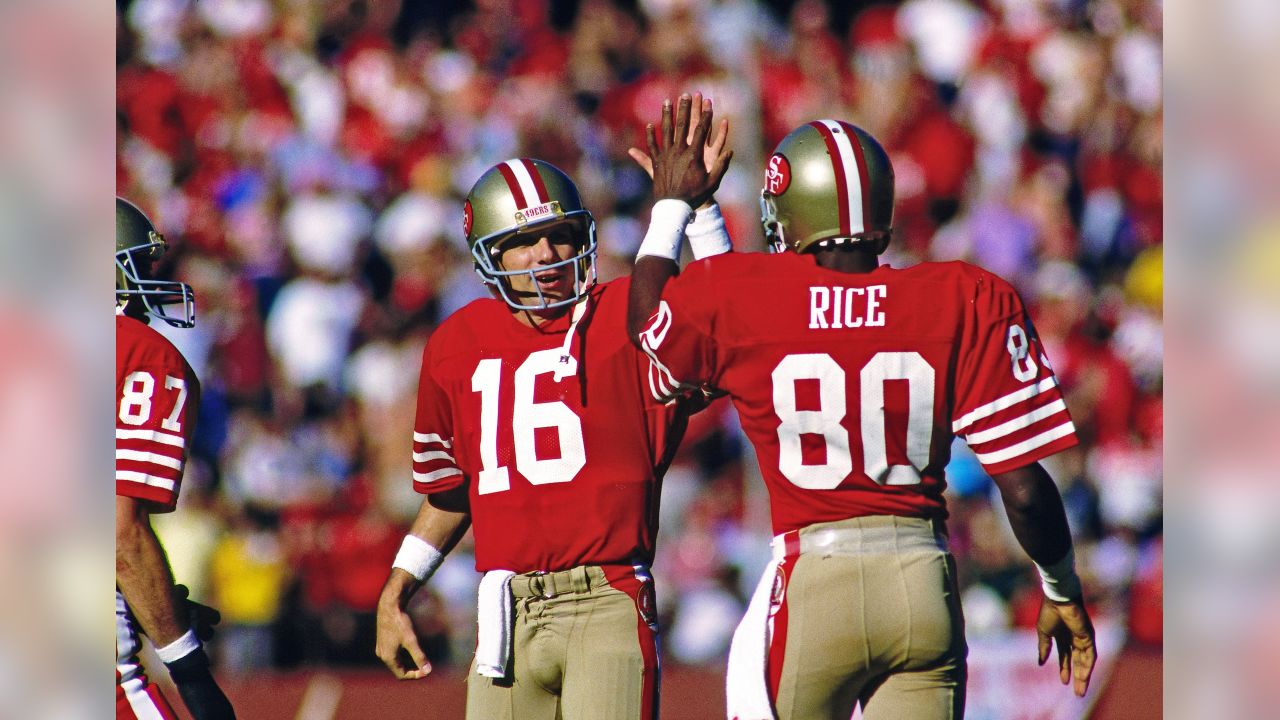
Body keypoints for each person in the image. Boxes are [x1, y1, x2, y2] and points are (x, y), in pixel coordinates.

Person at [628, 119, 1098, 719]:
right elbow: (1026, 489)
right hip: (922, 581)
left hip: (812, 581)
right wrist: (1061, 587)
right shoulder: (963, 294)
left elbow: (652, 326)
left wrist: (676, 207)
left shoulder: (746, 294)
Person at [374, 94, 732, 720]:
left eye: (559, 236)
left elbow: (731, 317)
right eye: (524, 242)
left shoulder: (624, 313)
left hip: (608, 597)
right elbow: (452, 490)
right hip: (506, 609)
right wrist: (398, 587)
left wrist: (699, 209)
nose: (546, 256)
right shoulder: (455, 343)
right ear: (490, 254)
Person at [116, 197, 237, 720]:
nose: (147, 282)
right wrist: (189, 668)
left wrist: (154, 603)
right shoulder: (139, 351)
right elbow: (119, 530)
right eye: (137, 266)